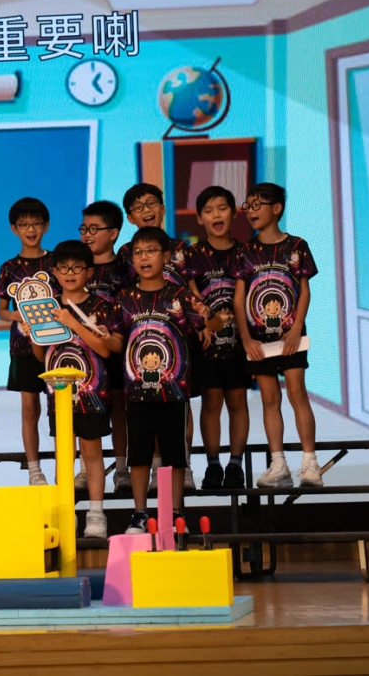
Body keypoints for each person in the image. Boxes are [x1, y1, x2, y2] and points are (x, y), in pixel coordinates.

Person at [104, 229, 223, 534]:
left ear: (166, 257)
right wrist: (104, 337)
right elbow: (117, 343)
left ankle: (176, 513)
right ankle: (140, 514)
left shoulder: (180, 295)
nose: (144, 257)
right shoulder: (125, 298)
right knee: (139, 456)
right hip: (136, 393)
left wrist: (208, 314)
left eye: (151, 251)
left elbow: (214, 325)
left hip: (174, 393)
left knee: (174, 455)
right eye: (138, 252)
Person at [232, 183, 321, 487]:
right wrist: (247, 339)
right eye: (248, 205)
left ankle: (310, 464)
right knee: (270, 398)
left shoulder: (297, 246)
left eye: (258, 204)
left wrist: (296, 329)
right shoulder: (245, 251)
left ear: (277, 208)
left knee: (297, 392)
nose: (251, 211)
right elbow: (239, 299)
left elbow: (304, 290)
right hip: (259, 340)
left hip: (291, 336)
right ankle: (278, 464)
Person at [28, 242, 115, 538]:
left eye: (77, 267)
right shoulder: (47, 306)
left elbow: (104, 349)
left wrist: (72, 323)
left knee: (91, 452)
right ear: (54, 272)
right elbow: (40, 355)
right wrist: (33, 336)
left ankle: (96, 513)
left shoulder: (100, 306)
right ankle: (66, 514)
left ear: (89, 272)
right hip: (59, 395)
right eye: (63, 268)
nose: (70, 273)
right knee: (64, 455)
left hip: (92, 393)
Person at [117, 183, 199, 491]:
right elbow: (126, 294)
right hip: (141, 341)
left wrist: (203, 321)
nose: (146, 210)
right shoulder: (125, 254)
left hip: (178, 338)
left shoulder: (181, 249)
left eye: (151, 203)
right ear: (130, 218)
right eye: (138, 207)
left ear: (163, 209)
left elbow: (192, 288)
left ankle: (183, 465)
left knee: (180, 404)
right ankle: (154, 468)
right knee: (146, 408)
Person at [187, 186, 250, 490]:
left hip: (240, 343)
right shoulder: (193, 254)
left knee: (237, 401)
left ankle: (235, 465)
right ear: (200, 218)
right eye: (209, 210)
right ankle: (213, 466)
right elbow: (190, 294)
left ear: (234, 213)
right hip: (208, 345)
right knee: (211, 402)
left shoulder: (245, 252)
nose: (216, 215)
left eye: (222, 208)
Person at [0, 197, 55, 486]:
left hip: (57, 347)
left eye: (36, 224)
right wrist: (19, 315)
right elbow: (2, 312)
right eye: (24, 225)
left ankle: (68, 469)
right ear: (14, 229)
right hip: (23, 348)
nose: (31, 230)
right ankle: (34, 470)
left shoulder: (56, 262)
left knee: (62, 409)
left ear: (46, 226)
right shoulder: (9, 268)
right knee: (30, 409)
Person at [79, 200, 131, 493]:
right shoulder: (77, 267)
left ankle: (121, 469)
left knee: (119, 410)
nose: (87, 235)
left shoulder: (125, 270)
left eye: (94, 229)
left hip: (117, 350)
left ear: (113, 233)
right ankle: (84, 469)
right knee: (84, 410)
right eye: (84, 229)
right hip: (84, 355)